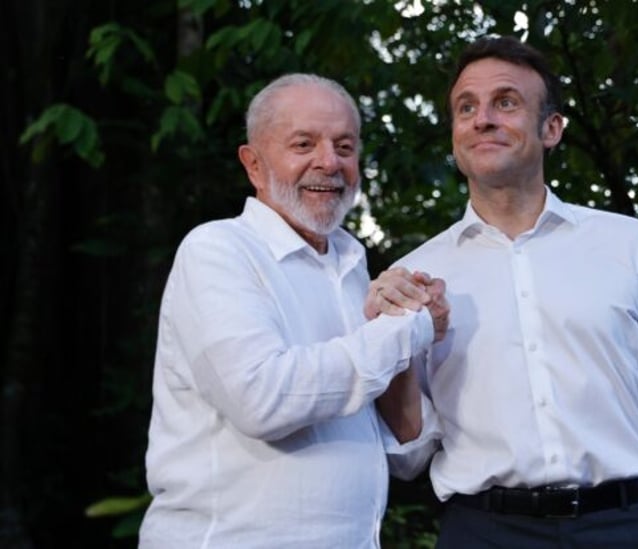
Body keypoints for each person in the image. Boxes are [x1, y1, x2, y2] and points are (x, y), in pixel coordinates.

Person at [367, 36, 638, 548]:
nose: (482, 118)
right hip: (483, 531)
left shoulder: (629, 244)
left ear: (551, 128)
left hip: (627, 526)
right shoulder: (414, 274)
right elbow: (408, 456)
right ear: (454, 135)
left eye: (505, 102)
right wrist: (392, 342)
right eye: (467, 108)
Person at [138, 73, 449, 548]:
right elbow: (263, 401)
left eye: (345, 147)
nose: (329, 162)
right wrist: (408, 329)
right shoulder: (217, 250)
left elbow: (407, 455)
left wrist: (402, 322)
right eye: (304, 144)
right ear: (254, 165)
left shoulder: (353, 267)